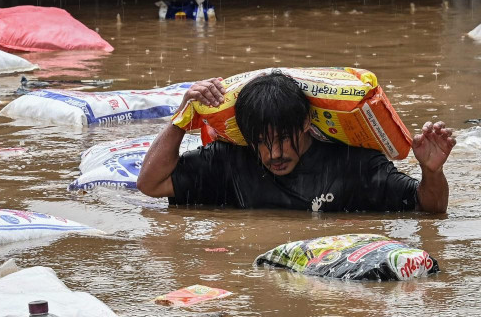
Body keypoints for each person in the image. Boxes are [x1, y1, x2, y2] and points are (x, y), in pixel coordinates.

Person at [137, 72, 456, 213]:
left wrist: (431, 172)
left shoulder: (353, 164)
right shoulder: (229, 161)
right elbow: (151, 184)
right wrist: (181, 117)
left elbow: (430, 209)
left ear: (306, 123)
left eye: (281, 140)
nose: (273, 153)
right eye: (261, 142)